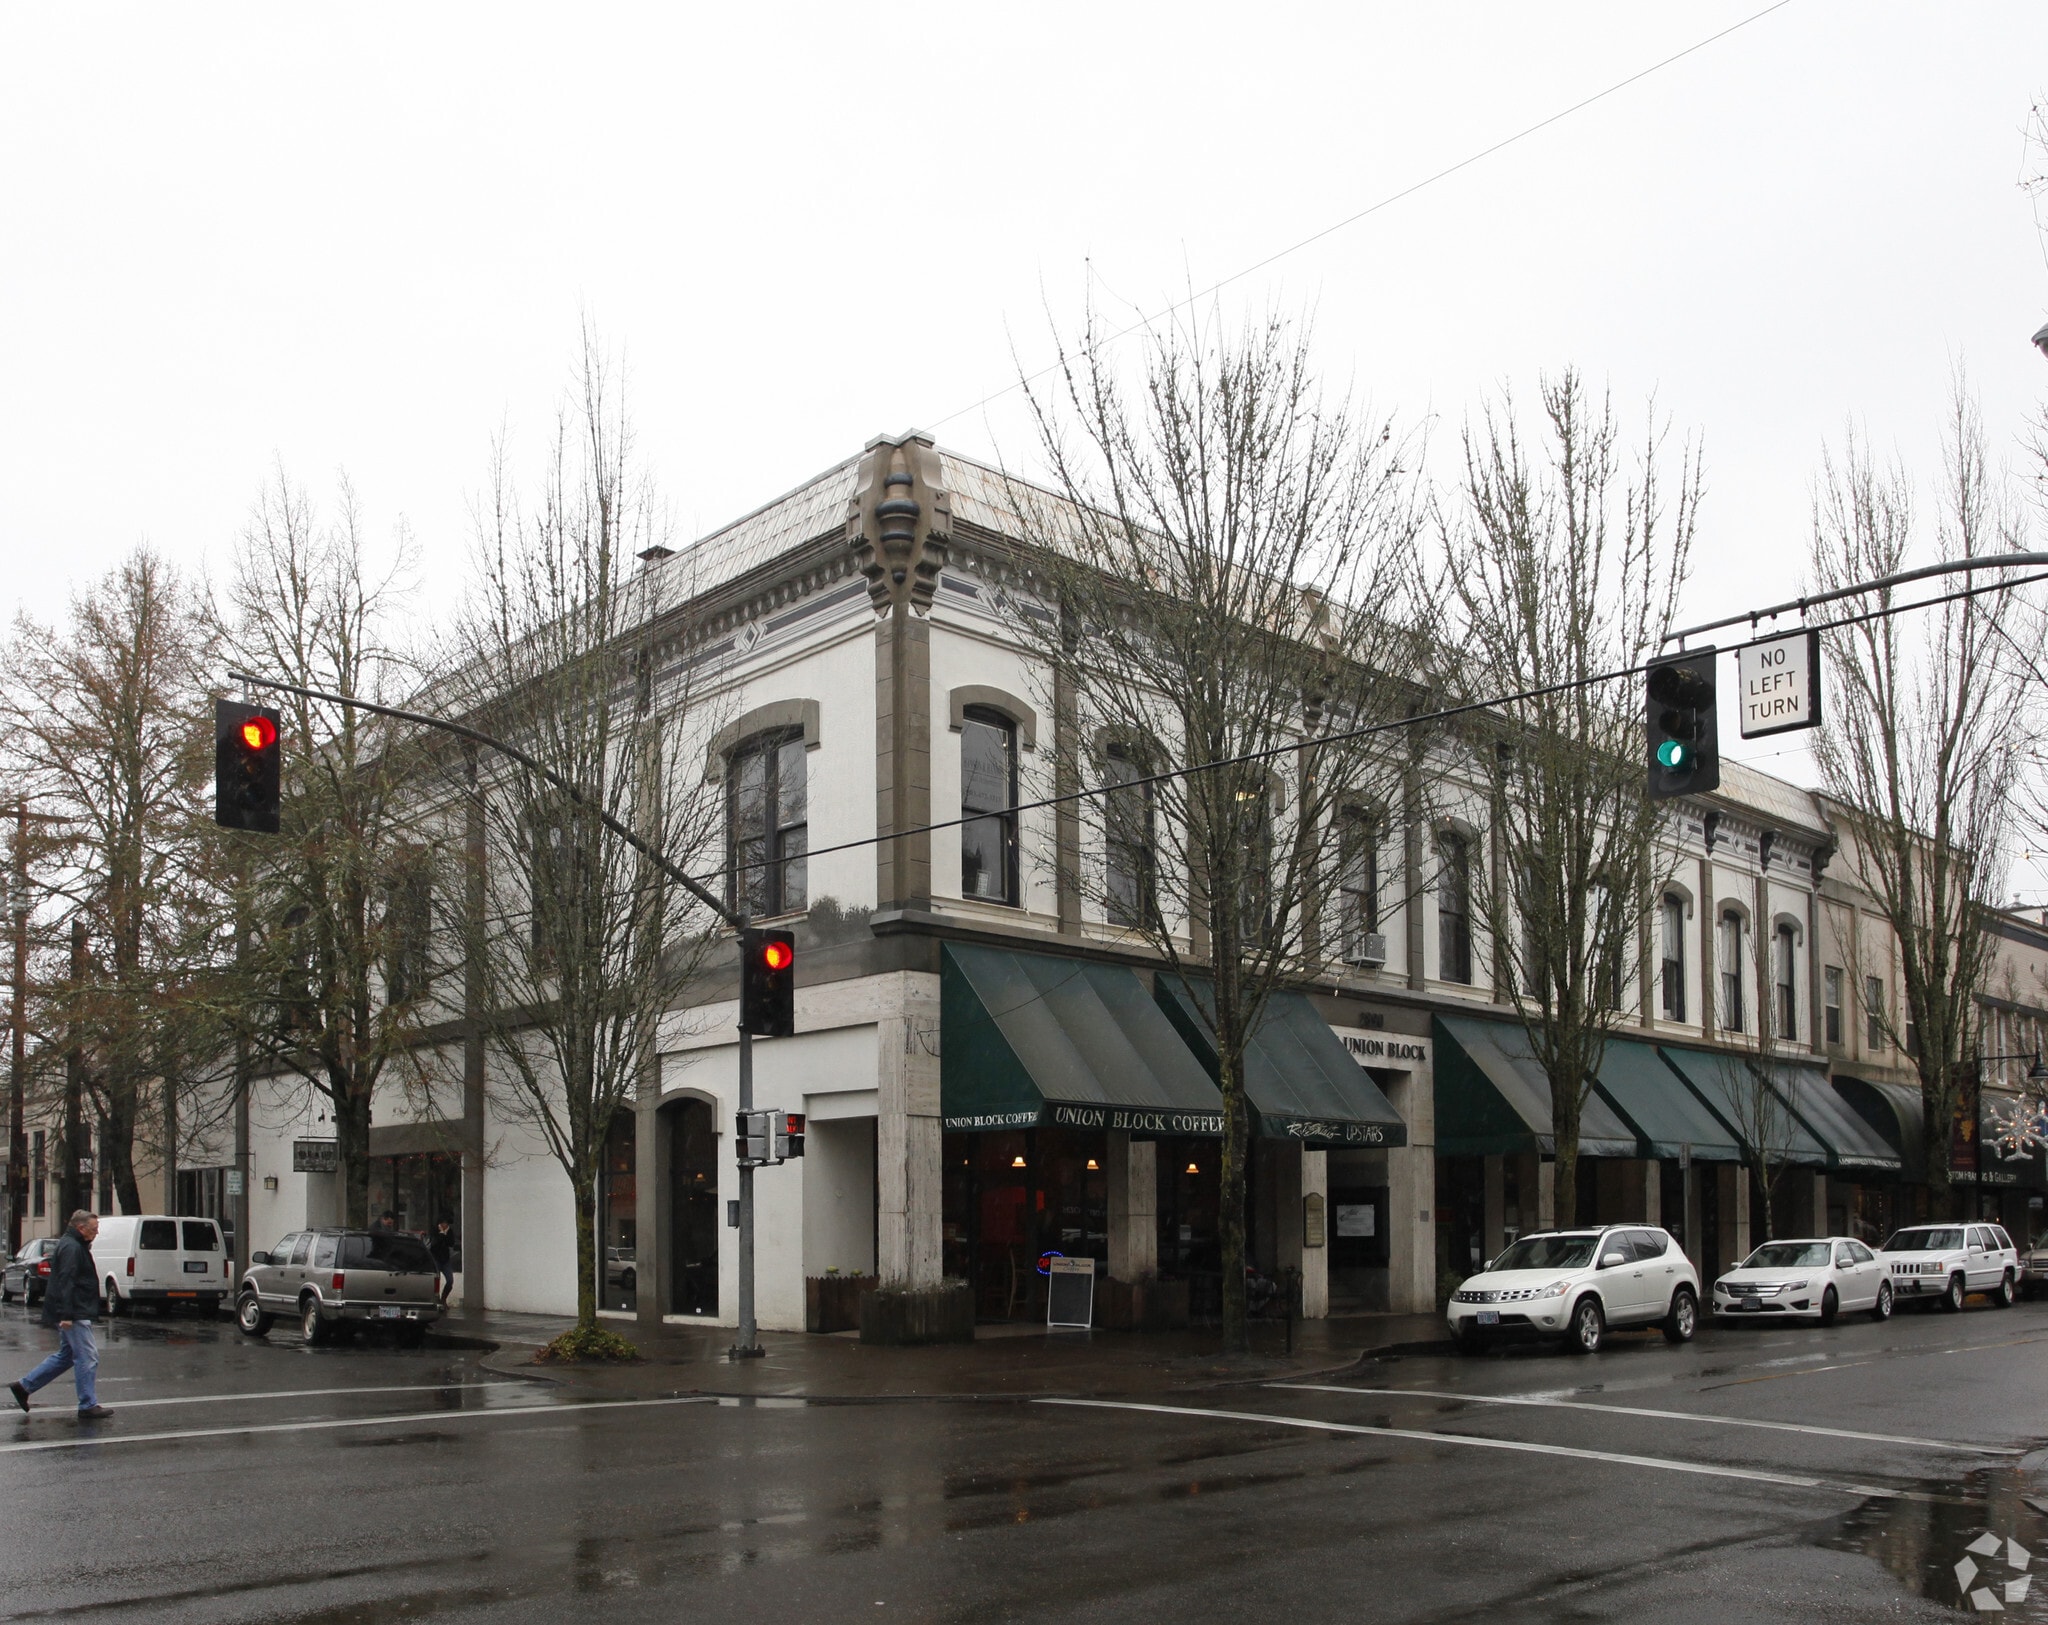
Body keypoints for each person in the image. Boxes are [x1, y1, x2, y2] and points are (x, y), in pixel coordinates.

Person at [9, 1210, 113, 1421]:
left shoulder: (73, 1245)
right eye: (94, 1229)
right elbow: (66, 1280)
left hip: (73, 1310)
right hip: (74, 1312)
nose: (96, 1233)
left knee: (67, 1356)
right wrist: (66, 1314)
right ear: (80, 1228)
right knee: (87, 1357)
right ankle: (87, 1405)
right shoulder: (72, 1247)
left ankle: (24, 1386)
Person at [429, 1219, 456, 1307]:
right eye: (443, 1223)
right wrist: (441, 1234)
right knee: (436, 1281)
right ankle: (436, 1300)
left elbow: (451, 1243)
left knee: (450, 1280)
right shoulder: (434, 1231)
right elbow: (434, 1243)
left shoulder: (450, 1231)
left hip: (445, 1260)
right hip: (436, 1258)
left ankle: (443, 1299)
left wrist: (444, 1234)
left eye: (446, 1224)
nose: (445, 1225)